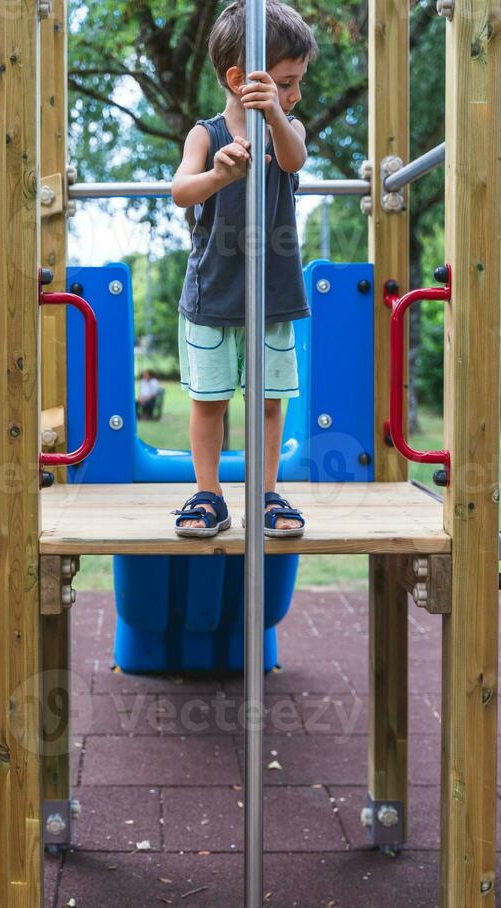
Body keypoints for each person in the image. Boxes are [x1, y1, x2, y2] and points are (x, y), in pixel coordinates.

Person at [171, 0, 318, 538]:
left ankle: (265, 493)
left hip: (272, 295)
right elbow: (181, 190)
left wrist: (277, 113)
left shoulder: (288, 128)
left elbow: (293, 158)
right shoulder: (205, 135)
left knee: (267, 402)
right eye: (286, 82)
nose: (296, 93)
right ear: (239, 79)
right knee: (208, 403)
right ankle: (208, 495)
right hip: (212, 295)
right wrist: (216, 176)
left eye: (299, 81)